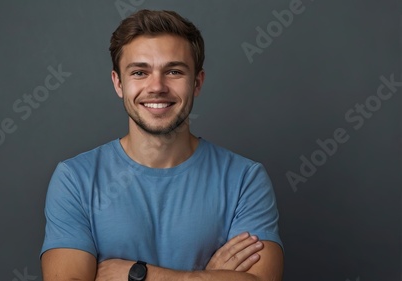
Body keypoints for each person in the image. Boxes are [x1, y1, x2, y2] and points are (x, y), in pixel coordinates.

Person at [40, 9, 283, 281]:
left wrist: (141, 275)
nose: (157, 86)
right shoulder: (75, 179)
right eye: (140, 72)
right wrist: (209, 277)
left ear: (197, 83)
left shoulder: (245, 180)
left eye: (174, 71)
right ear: (118, 83)